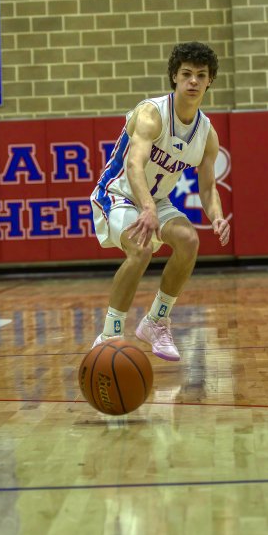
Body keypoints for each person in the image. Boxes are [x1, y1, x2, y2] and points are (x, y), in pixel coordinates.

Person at [89, 41, 231, 362]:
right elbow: (134, 165)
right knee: (140, 249)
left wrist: (217, 216)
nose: (193, 81)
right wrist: (148, 208)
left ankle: (156, 320)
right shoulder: (152, 114)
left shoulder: (206, 134)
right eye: (186, 74)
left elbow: (208, 187)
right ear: (174, 77)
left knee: (189, 240)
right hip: (117, 193)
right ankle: (110, 333)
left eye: (201, 75)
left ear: (210, 80)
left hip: (156, 199)